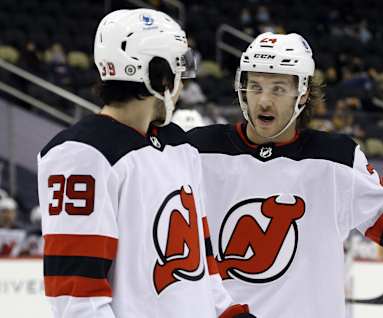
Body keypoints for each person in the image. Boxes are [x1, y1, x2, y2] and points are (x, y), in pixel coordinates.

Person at [187, 33, 383, 317]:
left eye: (278, 89)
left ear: (302, 93)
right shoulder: (197, 150)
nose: (263, 101)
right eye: (255, 87)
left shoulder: (336, 159)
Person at [37, 9, 254, 318]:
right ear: (159, 76)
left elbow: (203, 271)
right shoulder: (80, 155)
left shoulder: (179, 146)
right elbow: (77, 298)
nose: (182, 84)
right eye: (178, 70)